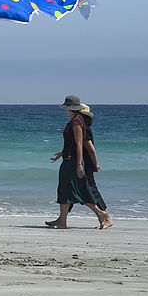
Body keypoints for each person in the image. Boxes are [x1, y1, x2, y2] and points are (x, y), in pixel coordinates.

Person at [45, 94, 113, 229]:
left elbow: (79, 144)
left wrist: (78, 165)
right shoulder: (77, 120)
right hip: (68, 159)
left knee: (81, 191)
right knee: (64, 191)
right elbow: (71, 144)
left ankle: (101, 215)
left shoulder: (76, 122)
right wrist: (61, 153)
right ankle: (62, 221)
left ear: (70, 108)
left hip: (72, 162)